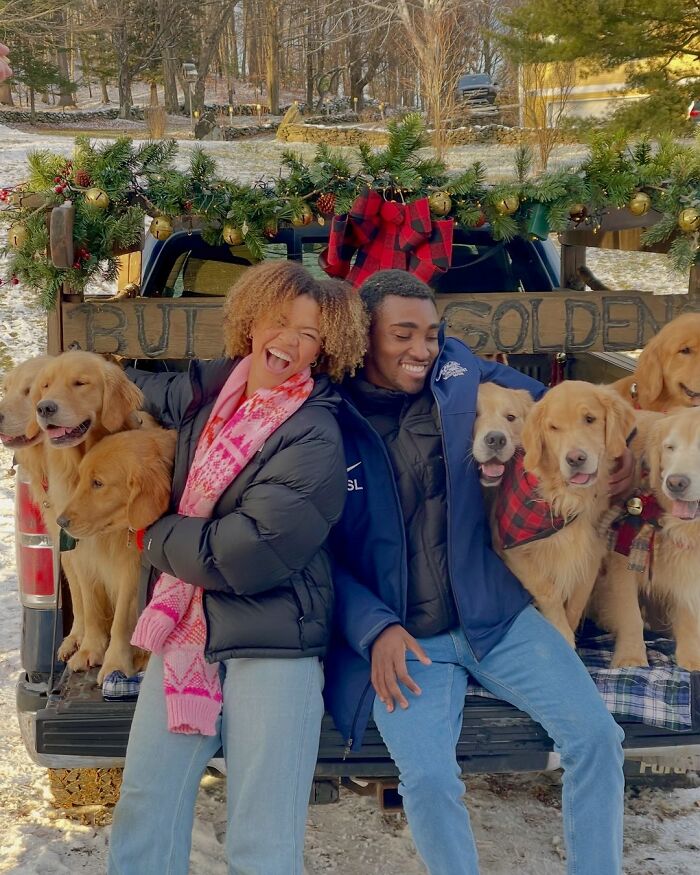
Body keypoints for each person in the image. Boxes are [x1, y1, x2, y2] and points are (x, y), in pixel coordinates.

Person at [324, 269, 634, 875]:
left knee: (598, 738)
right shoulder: (329, 421)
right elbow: (319, 556)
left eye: (432, 335)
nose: (423, 350)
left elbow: (552, 410)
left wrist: (609, 456)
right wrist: (373, 629)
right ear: (365, 337)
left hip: (497, 617)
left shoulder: (461, 376)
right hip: (405, 637)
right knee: (431, 778)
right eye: (403, 335)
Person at [108, 262, 367, 875]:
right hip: (186, 639)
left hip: (274, 645)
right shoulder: (208, 392)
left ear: (326, 346)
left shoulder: (315, 432)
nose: (290, 342)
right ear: (251, 320)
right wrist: (82, 381)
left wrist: (145, 528)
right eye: (280, 322)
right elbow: (130, 392)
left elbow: (245, 552)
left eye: (310, 334)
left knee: (263, 834)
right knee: (147, 806)